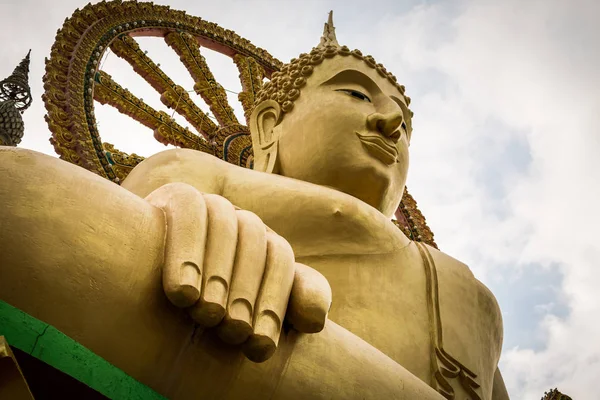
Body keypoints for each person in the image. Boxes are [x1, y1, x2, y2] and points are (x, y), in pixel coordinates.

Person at [0, 13, 509, 400]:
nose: (389, 126)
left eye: (405, 125)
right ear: (267, 125)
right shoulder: (208, 173)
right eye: (356, 94)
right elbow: (129, 224)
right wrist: (195, 214)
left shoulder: (461, 287)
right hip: (247, 340)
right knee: (20, 196)